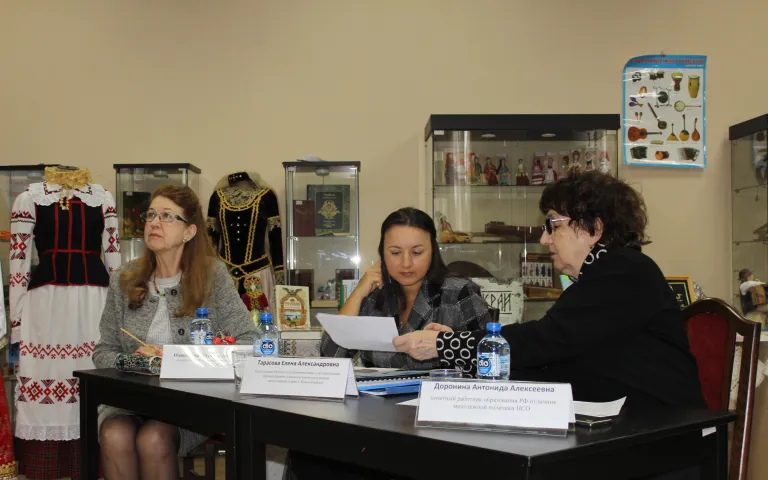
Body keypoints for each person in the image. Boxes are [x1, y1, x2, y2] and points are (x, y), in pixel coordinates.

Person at [394, 171, 705, 411]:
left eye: (554, 226)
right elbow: (549, 352)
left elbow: (543, 341)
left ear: (594, 229)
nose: (545, 239)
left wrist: (446, 345)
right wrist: (464, 343)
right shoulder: (606, 272)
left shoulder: (622, 269)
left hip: (659, 437)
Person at [92, 185, 256, 480]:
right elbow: (103, 351)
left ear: (189, 232)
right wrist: (140, 362)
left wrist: (181, 358)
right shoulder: (124, 279)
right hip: (130, 401)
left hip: (190, 404)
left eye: (167, 216)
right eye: (150, 215)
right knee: (114, 434)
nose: (154, 223)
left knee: (153, 439)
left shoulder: (213, 276)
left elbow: (249, 340)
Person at [320, 207, 492, 369]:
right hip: (377, 392)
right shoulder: (373, 296)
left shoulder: (458, 293)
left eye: (417, 252)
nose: (406, 263)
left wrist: (449, 347)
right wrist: (357, 294)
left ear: (433, 251)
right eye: (395, 253)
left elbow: (491, 357)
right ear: (382, 254)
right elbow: (330, 360)